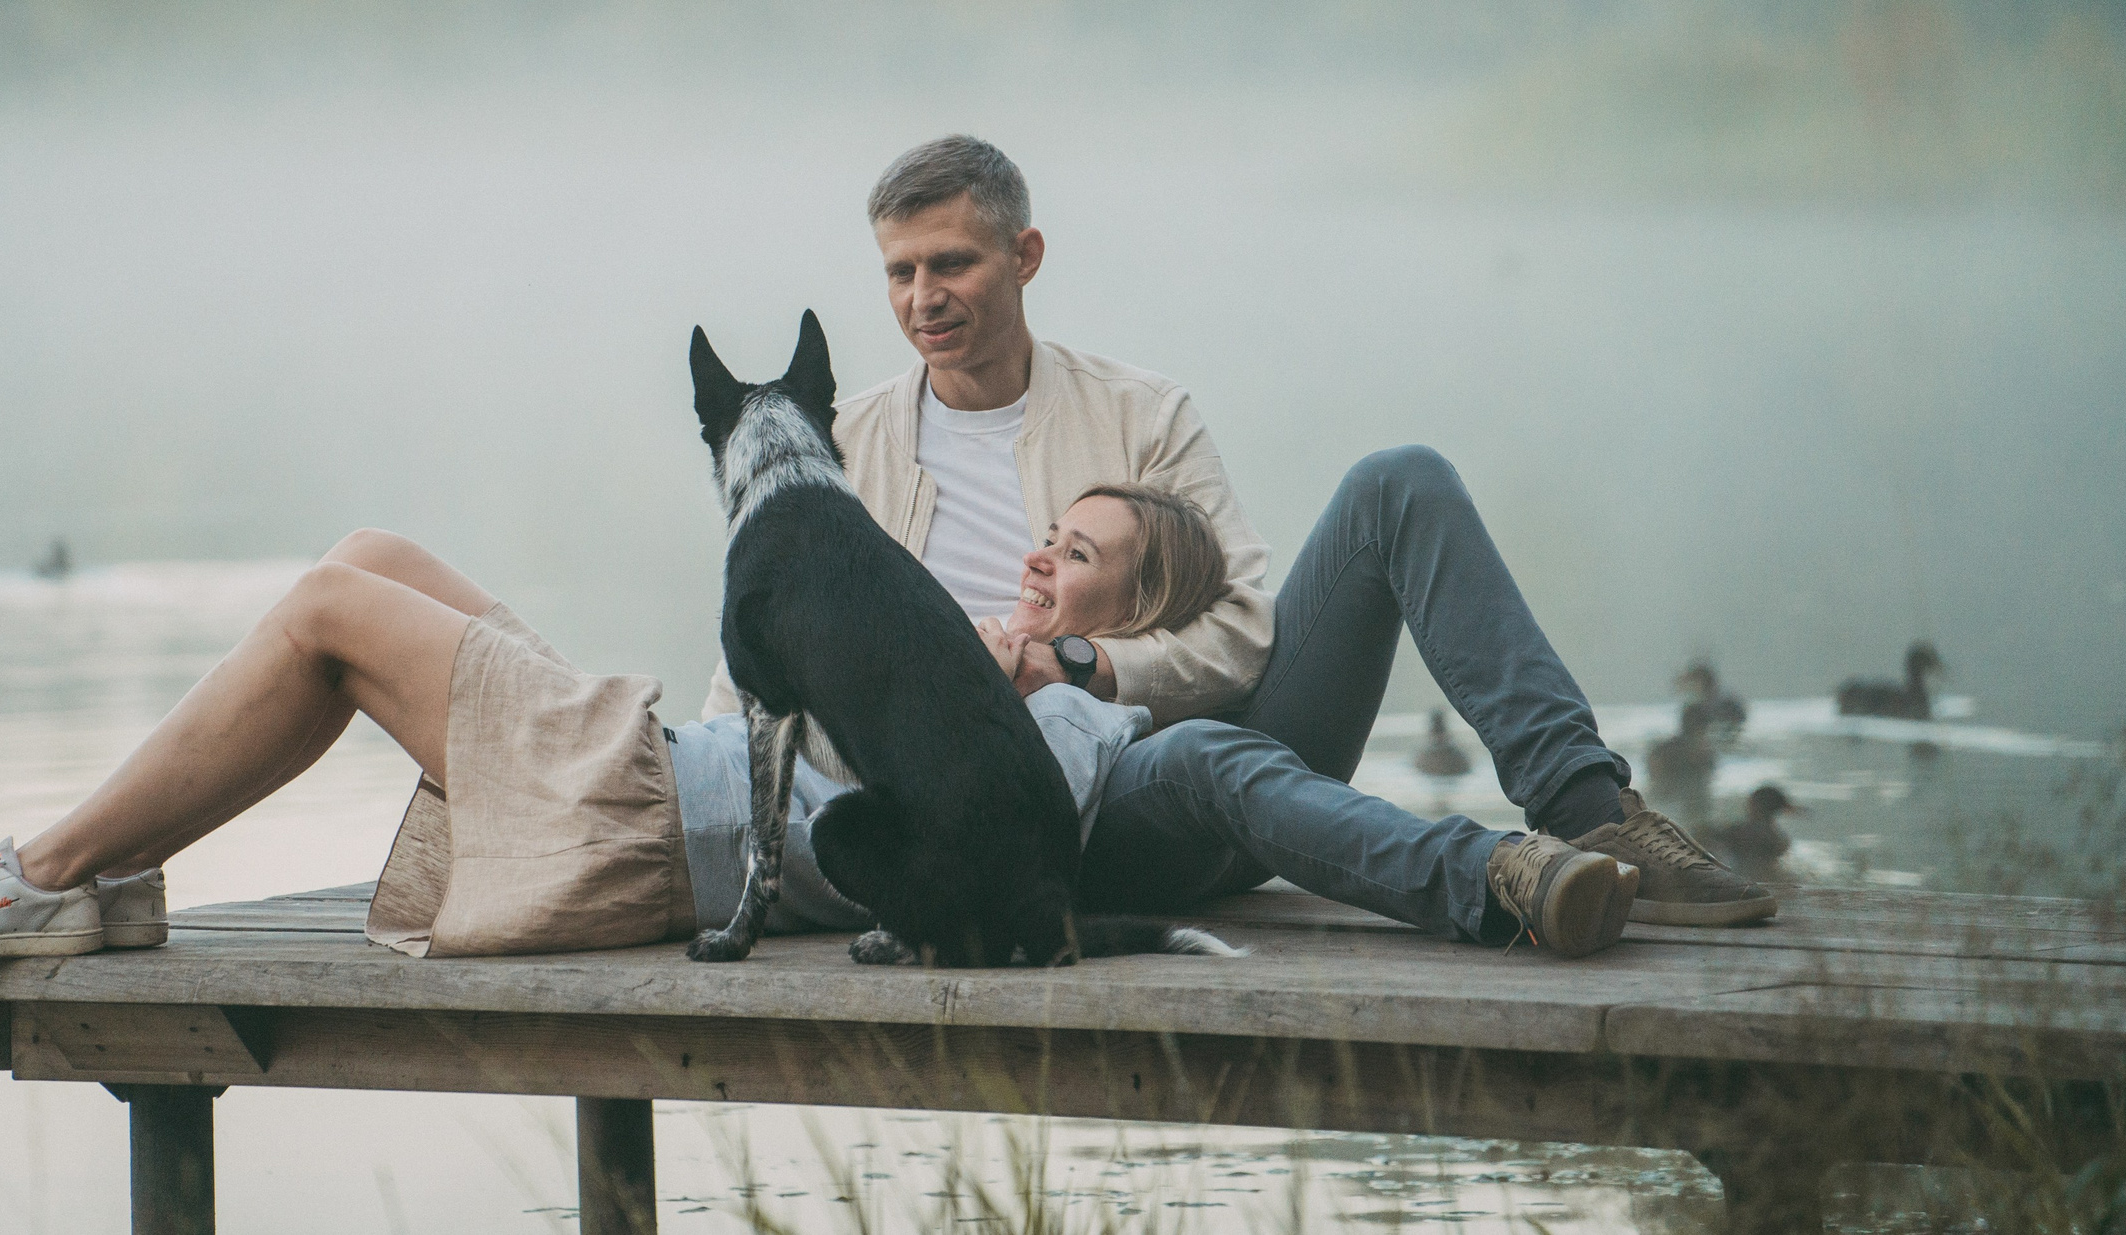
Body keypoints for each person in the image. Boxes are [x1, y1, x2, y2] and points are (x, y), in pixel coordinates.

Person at [705, 134, 1776, 951]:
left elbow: (1243, 634)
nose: (922, 299)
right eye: (898, 273)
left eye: (950, 263)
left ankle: (1592, 815)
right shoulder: (839, 449)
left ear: (1024, 256)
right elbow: (749, 698)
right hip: (1033, 825)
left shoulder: (1142, 412)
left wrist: (1083, 665)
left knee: (1399, 482)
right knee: (1199, 760)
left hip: (1178, 739)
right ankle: (1500, 879)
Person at [0, 483, 1223, 960]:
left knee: (329, 610)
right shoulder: (983, 677)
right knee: (370, 553)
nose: (1039, 558)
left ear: (1135, 618)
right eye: (1048, 532)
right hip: (650, 764)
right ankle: (123, 874)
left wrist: (1028, 679)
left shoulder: (1067, 732)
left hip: (638, 822)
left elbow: (967, 840)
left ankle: (48, 871)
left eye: (1078, 555)